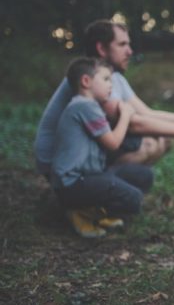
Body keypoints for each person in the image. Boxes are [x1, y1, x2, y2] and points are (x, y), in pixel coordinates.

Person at [34, 19, 174, 177]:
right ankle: (96, 198)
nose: (130, 51)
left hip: (80, 153)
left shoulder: (113, 77)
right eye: (122, 45)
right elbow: (134, 123)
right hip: (56, 162)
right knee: (148, 143)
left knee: (164, 138)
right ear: (101, 48)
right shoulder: (93, 81)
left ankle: (111, 193)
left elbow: (147, 113)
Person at [51, 57, 153, 238]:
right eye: (106, 79)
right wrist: (126, 115)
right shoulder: (84, 106)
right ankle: (81, 212)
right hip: (72, 184)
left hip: (90, 176)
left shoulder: (89, 106)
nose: (110, 85)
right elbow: (113, 143)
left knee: (144, 175)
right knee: (133, 199)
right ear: (86, 81)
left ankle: (95, 210)